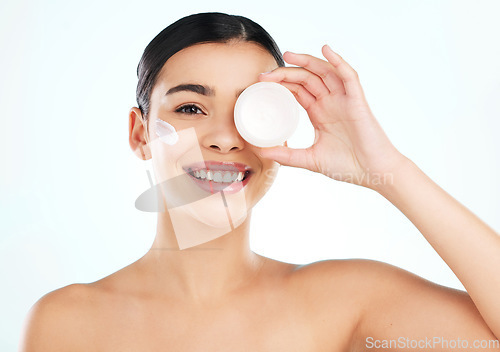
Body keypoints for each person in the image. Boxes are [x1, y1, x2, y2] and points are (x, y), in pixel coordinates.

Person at [20, 12, 500, 351]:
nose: (226, 139)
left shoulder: (345, 302)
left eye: (251, 110)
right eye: (191, 107)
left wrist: (387, 169)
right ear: (140, 134)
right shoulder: (67, 323)